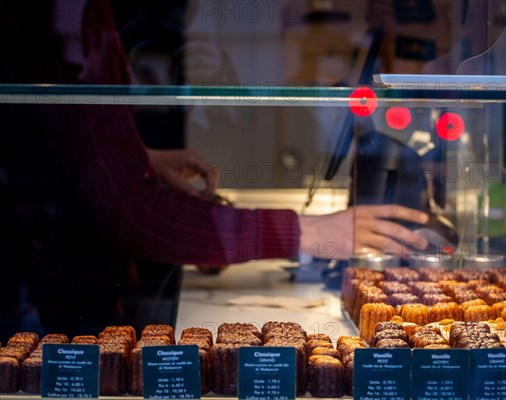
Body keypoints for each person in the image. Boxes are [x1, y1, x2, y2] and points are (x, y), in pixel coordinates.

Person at [0, 0, 428, 341]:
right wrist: (306, 233)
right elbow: (135, 215)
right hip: (43, 296)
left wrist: (139, 157)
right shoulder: (69, 12)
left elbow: (53, 137)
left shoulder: (82, 14)